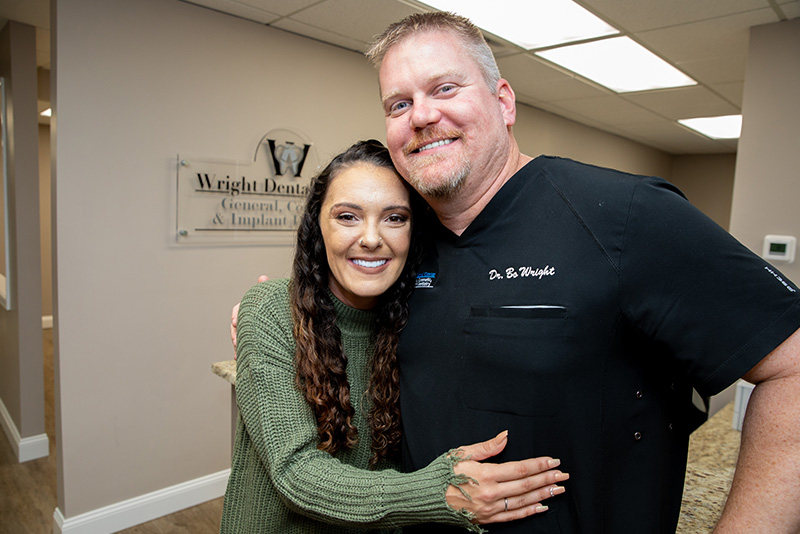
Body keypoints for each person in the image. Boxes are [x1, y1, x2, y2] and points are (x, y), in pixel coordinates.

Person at [232, 12, 800, 533]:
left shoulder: (625, 217)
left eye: (445, 88)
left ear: (503, 100)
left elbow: (791, 365)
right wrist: (276, 311)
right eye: (398, 103)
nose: (422, 114)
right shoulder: (411, 241)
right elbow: (349, 305)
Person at [220, 139, 568, 534]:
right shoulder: (272, 311)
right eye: (348, 217)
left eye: (394, 218)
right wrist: (438, 494)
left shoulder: (416, 322)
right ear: (318, 225)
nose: (371, 238)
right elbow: (296, 473)